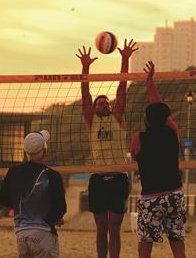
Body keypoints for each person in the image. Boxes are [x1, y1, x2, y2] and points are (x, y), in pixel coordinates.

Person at [76, 39, 137, 258]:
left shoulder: (117, 118)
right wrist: (85, 68)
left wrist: (125, 59)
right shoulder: (91, 121)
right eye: (99, 103)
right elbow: (85, 95)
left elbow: (122, 88)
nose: (104, 105)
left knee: (114, 227)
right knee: (101, 228)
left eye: (106, 103)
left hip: (119, 178)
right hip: (98, 179)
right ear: (93, 108)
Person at [130, 61, 186, 258]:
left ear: (146, 120)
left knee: (145, 242)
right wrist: (150, 83)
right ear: (166, 119)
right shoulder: (173, 132)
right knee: (177, 239)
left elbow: (134, 153)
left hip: (152, 197)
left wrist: (148, 82)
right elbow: (160, 110)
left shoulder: (138, 138)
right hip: (174, 195)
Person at [0, 130, 66, 258]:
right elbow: (61, 208)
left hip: (21, 234)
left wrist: (23, 205)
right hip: (43, 233)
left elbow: (3, 199)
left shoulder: (13, 172)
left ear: (26, 151)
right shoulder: (52, 175)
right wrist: (56, 218)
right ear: (44, 151)